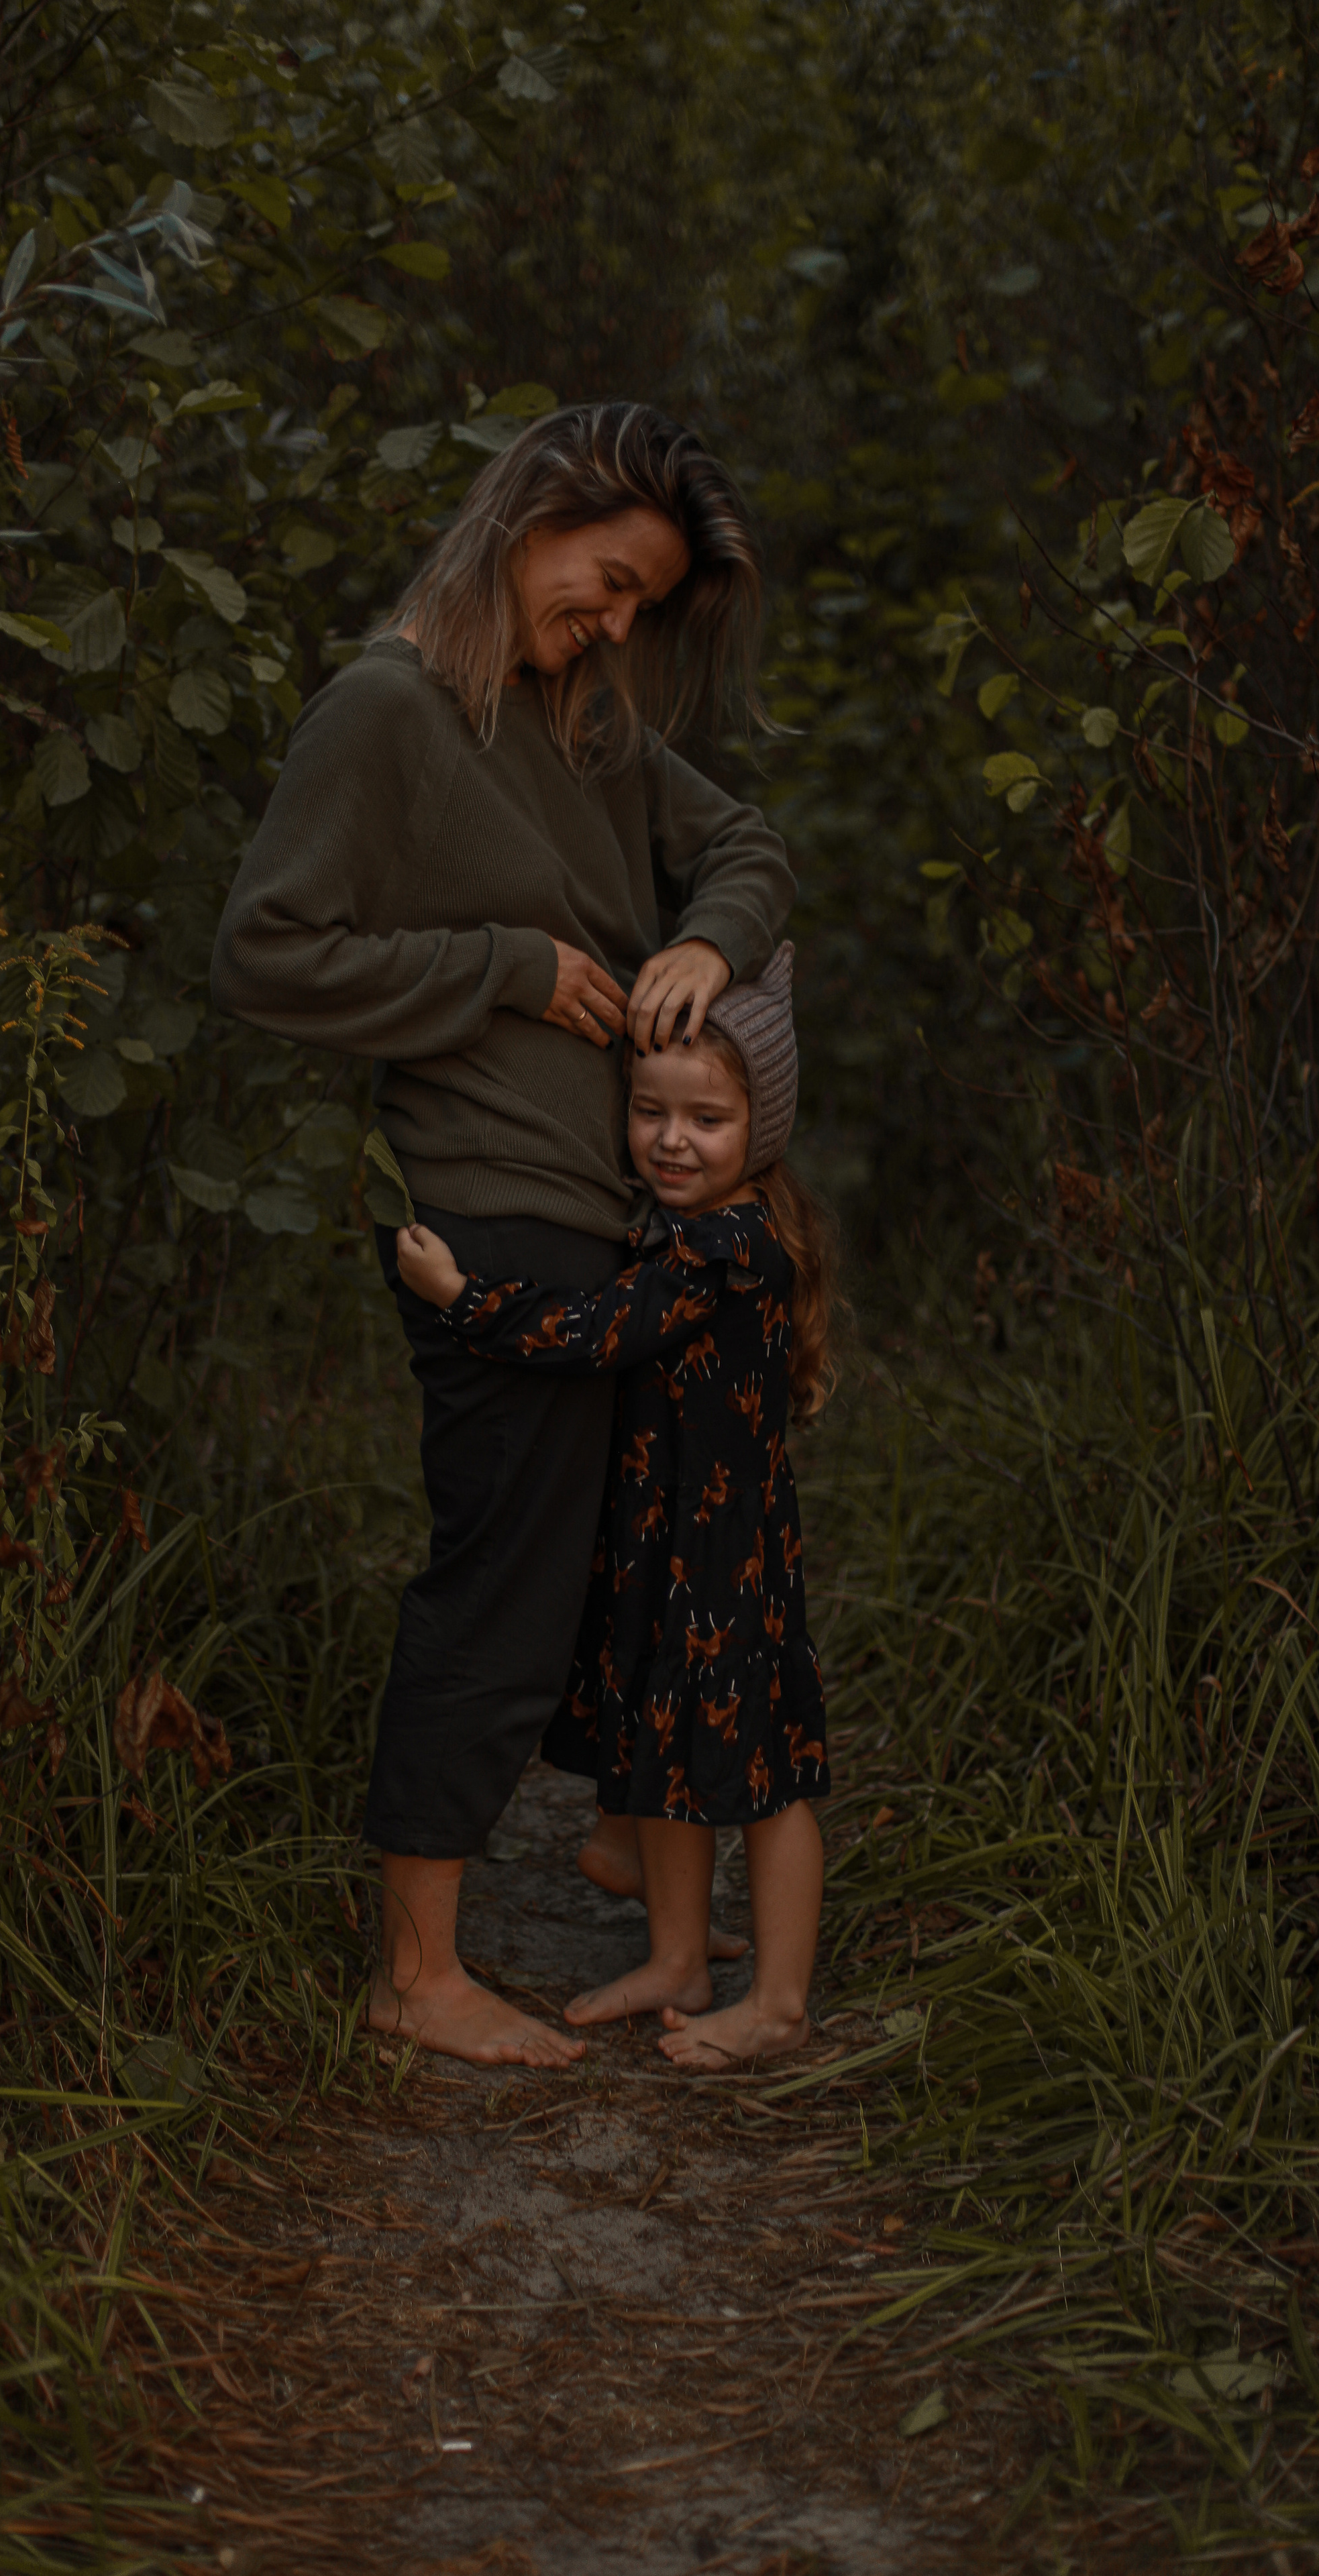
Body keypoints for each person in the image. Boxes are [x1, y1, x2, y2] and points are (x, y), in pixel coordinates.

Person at [209, 403, 795, 2066]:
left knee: (628, 1559)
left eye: (640, 610)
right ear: (534, 515)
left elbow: (744, 844)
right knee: (497, 1589)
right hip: (493, 1203)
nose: (615, 628)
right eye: (607, 583)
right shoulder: (384, 714)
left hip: (622, 1218)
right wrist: (501, 968)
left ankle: (622, 1831)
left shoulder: (585, 718)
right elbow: (265, 956)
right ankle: (417, 1970)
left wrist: (706, 942)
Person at [396, 943, 836, 2069]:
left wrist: (463, 1299)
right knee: (670, 1743)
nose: (673, 1142)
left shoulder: (723, 1248)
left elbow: (594, 1338)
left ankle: (780, 2003)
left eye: (708, 1122)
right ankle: (678, 1958)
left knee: (766, 1778)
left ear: (761, 1134)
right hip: (669, 1545)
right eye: (651, 1113)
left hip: (725, 1556)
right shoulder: (675, 1231)